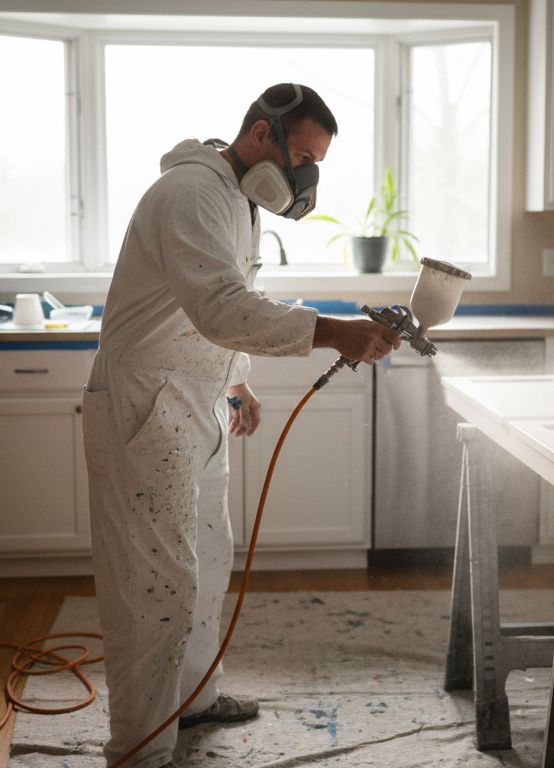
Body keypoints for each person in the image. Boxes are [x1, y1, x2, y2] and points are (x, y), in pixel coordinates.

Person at [82, 83, 401, 768]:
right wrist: (335, 332)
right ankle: (140, 749)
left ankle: (194, 699)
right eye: (303, 158)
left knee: (203, 562)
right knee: (154, 583)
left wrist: (236, 380)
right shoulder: (190, 196)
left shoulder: (238, 201)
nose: (304, 177)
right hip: (145, 405)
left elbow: (216, 302)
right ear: (262, 135)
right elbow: (222, 307)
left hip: (194, 401)